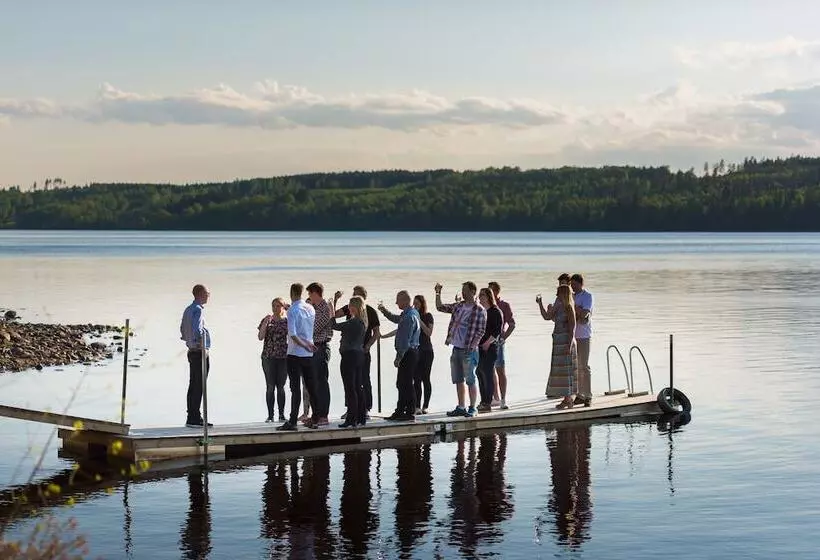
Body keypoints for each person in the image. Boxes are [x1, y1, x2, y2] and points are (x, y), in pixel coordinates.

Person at [435, 281, 487, 418]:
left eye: (465, 290)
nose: (463, 292)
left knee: (470, 379)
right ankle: (461, 406)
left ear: (472, 292)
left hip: (469, 349)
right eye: (462, 290)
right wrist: (438, 293)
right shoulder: (459, 306)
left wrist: (472, 346)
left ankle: (472, 407)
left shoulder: (479, 309)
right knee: (458, 379)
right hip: (456, 347)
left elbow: (481, 331)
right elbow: (440, 307)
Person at [333, 286, 381, 418]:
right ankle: (351, 408)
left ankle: (365, 408)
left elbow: (376, 333)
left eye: (356, 294)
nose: (352, 296)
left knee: (363, 379)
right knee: (350, 381)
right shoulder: (349, 308)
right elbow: (334, 315)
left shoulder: (370, 311)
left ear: (363, 297)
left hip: (362, 350)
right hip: (349, 350)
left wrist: (368, 346)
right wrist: (335, 301)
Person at [278, 283, 317, 432]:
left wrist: (304, 345)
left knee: (295, 389)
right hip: (308, 354)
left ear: (292, 292)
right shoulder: (310, 308)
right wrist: (308, 345)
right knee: (311, 387)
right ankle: (315, 419)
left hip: (295, 354)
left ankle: (293, 421)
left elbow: (293, 335)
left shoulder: (292, 311)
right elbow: (306, 329)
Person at [378, 290, 421, 421]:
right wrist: (384, 310)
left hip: (408, 353)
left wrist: (399, 357)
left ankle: (409, 412)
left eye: (398, 300)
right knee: (401, 383)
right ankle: (400, 410)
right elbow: (396, 319)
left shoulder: (409, 317)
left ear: (405, 301)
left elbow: (405, 340)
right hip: (409, 352)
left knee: (406, 383)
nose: (396, 302)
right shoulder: (409, 314)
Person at [538, 284, 578, 409]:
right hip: (557, 342)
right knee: (559, 371)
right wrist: (540, 303)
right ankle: (566, 399)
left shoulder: (569, 307)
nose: (556, 295)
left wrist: (569, 344)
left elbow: (573, 327)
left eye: (558, 293)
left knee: (567, 370)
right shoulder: (558, 306)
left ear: (564, 294)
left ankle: (568, 399)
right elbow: (547, 316)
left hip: (566, 342)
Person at [180, 284, 213, 428]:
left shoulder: (188, 309)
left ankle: (191, 416)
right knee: (199, 385)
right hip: (199, 352)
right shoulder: (198, 310)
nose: (209, 295)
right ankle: (195, 418)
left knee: (193, 384)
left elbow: (182, 328)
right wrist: (200, 345)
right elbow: (197, 329)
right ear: (200, 294)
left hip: (191, 351)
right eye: (207, 293)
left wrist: (188, 342)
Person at [332, 296, 368, 428]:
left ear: (354, 307)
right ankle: (361, 417)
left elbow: (334, 325)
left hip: (349, 356)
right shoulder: (362, 322)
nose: (348, 308)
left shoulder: (353, 322)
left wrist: (331, 310)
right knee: (358, 386)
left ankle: (351, 418)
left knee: (350, 388)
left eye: (349, 305)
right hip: (358, 355)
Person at [257, 297, 289, 422]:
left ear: (283, 308)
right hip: (268, 357)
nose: (275, 308)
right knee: (270, 386)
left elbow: (293, 335)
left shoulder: (287, 321)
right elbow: (260, 337)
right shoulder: (267, 320)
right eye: (273, 306)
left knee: (281, 386)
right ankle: (270, 416)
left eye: (278, 306)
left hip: (283, 357)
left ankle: (281, 415)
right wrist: (265, 323)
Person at [307, 282, 332, 427]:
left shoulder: (324, 308)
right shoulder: (311, 307)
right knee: (312, 383)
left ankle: (323, 415)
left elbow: (313, 328)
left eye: (310, 293)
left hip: (320, 347)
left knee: (321, 382)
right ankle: (315, 415)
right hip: (310, 349)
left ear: (316, 293)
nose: (308, 296)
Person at [488, 282, 514, 410]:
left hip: (498, 342)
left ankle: (503, 399)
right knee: (489, 370)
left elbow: (512, 324)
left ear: (497, 292)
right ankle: (495, 397)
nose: (489, 293)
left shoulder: (504, 305)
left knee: (500, 370)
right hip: (486, 342)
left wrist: (503, 338)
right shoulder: (484, 305)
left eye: (491, 291)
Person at [476, 288, 503, 413]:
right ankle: (483, 400)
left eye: (482, 295)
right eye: (479, 295)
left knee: (487, 372)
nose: (480, 297)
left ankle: (488, 402)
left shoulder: (495, 311)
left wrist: (488, 342)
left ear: (488, 296)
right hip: (480, 347)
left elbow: (497, 331)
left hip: (491, 347)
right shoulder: (481, 311)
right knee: (479, 372)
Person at [571, 274, 594, 407]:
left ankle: (588, 396)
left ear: (580, 284)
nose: (572, 287)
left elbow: (585, 314)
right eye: (571, 285)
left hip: (584, 335)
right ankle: (580, 395)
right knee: (577, 367)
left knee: (584, 366)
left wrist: (576, 308)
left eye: (574, 284)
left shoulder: (588, 296)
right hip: (573, 335)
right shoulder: (572, 296)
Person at [414, 295, 434, 414]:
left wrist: (419, 320)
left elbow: (429, 332)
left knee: (425, 378)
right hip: (416, 351)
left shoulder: (428, 316)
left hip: (426, 351)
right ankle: (417, 406)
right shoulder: (411, 316)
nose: (415, 305)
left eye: (417, 303)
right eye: (414, 303)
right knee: (416, 379)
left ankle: (425, 406)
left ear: (422, 304)